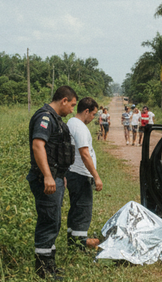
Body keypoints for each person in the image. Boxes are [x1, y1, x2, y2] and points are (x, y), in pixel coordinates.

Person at [26, 85, 78, 279]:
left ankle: (50, 265)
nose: (72, 109)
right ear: (64, 100)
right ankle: (43, 271)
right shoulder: (45, 118)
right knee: (48, 221)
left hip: (55, 178)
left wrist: (58, 174)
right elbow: (38, 146)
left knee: (54, 221)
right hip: (44, 180)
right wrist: (48, 176)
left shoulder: (55, 119)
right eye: (72, 105)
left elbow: (55, 152)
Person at [66, 97, 102, 253]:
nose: (92, 118)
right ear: (86, 111)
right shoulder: (79, 127)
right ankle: (79, 246)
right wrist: (96, 176)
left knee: (75, 208)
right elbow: (84, 153)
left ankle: (73, 241)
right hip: (80, 174)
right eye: (93, 114)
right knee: (83, 209)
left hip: (73, 173)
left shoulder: (71, 123)